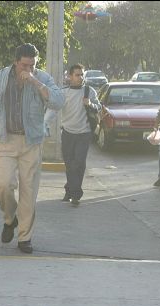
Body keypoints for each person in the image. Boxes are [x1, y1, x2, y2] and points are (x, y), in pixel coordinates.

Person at [0, 43, 64, 254]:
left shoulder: (41, 78)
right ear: (15, 62)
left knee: (29, 191)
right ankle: (9, 219)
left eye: (32, 65)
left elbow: (59, 101)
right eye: (25, 65)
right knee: (4, 185)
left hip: (31, 142)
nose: (29, 69)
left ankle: (25, 237)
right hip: (4, 139)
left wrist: (35, 81)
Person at [44, 63, 101, 205]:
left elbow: (99, 107)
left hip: (84, 133)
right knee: (69, 164)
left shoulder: (89, 91)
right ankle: (69, 190)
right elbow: (53, 110)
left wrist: (90, 104)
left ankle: (76, 194)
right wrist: (44, 124)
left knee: (79, 163)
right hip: (68, 133)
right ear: (70, 76)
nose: (80, 77)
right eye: (77, 75)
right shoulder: (63, 93)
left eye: (82, 74)